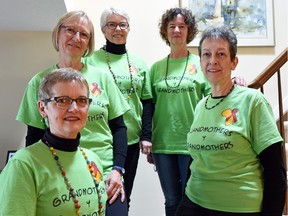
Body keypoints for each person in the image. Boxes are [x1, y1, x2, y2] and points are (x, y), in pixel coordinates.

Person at [16, 10, 130, 215]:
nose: (76, 38)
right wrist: (35, 174)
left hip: (103, 173)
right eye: (70, 30)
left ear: (89, 43)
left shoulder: (103, 78)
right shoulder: (39, 82)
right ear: (57, 34)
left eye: (84, 34)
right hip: (56, 172)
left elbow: (119, 128)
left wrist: (117, 170)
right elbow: (33, 135)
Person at [176, 26, 286, 215]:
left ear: (234, 62)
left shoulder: (253, 101)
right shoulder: (201, 105)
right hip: (194, 201)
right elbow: (196, 160)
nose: (212, 61)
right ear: (200, 61)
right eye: (206, 54)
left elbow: (276, 172)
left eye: (221, 54)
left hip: (238, 207)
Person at [148, 8, 247, 216]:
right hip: (163, 145)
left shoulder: (202, 63)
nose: (177, 30)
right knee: (171, 200)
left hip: (193, 143)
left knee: (190, 199)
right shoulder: (156, 68)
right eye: (172, 26)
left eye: (182, 26)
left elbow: (215, 94)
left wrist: (234, 82)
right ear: (165, 31)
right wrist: (147, 139)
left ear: (189, 31)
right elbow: (150, 107)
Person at [0, 68, 108, 215]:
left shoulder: (92, 159)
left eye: (82, 100)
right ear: (42, 108)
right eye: (62, 100)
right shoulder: (24, 165)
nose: (74, 108)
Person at [83, 7, 153, 210]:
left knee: (122, 194)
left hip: (129, 138)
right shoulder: (90, 61)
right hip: (98, 137)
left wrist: (146, 135)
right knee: (91, 193)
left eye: (123, 24)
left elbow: (147, 101)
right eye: (111, 25)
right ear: (103, 30)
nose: (118, 29)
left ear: (129, 29)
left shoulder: (138, 62)